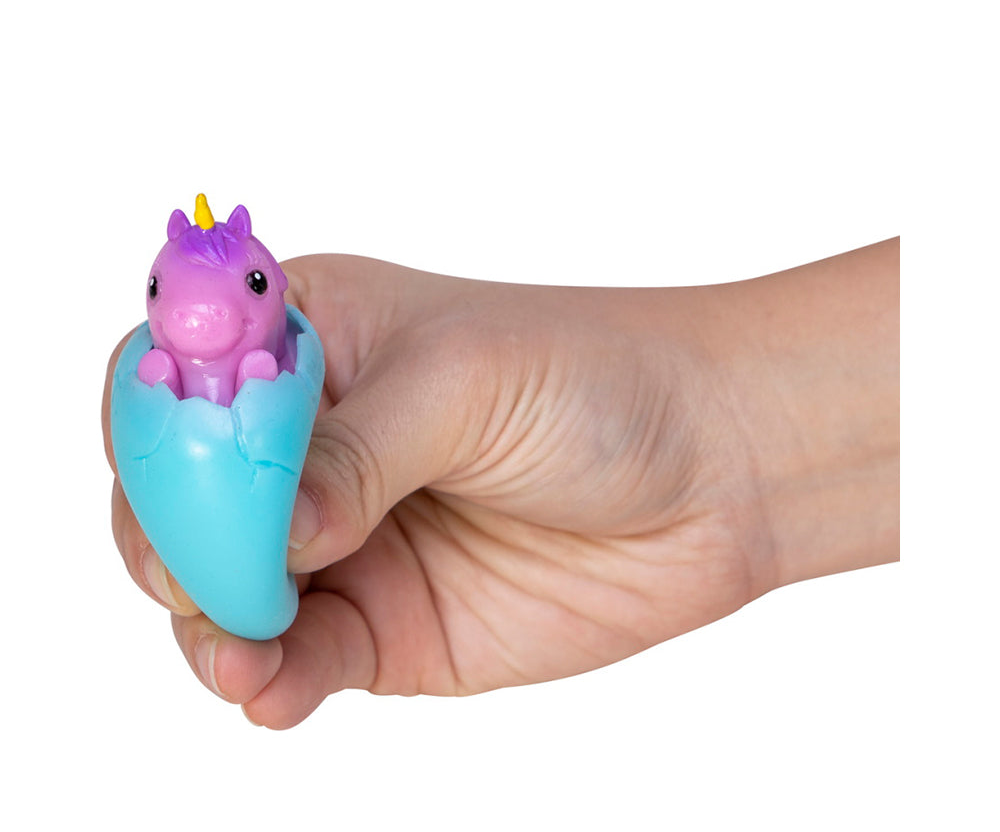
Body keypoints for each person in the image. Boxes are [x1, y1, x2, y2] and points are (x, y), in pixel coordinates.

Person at [102, 239, 900, 729]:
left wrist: (729, 450)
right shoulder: (167, 374)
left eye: (247, 290)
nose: (200, 320)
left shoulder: (291, 360)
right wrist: (734, 451)